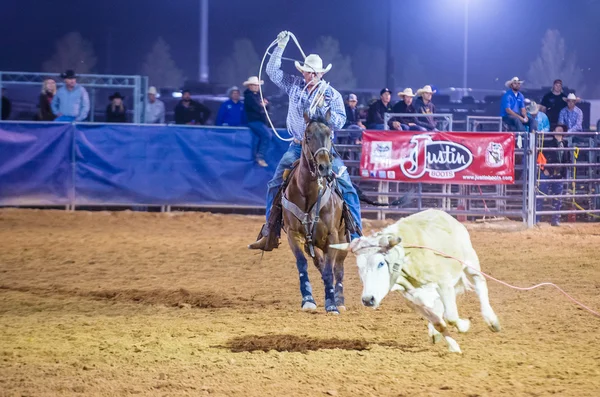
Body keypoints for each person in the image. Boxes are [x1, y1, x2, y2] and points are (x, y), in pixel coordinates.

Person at [249, 30, 362, 251]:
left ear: (319, 74)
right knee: (275, 184)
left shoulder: (331, 95)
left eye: (312, 72)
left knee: (347, 186)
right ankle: (269, 232)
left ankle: (357, 234)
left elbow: (340, 119)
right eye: (306, 72)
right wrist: (280, 47)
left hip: (322, 148)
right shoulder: (294, 86)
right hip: (297, 146)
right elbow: (272, 71)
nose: (308, 75)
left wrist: (323, 116)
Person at [536, 124, 570, 226]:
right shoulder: (547, 143)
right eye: (558, 128)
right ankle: (536, 219)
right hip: (548, 173)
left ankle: (555, 219)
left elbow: (567, 159)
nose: (560, 130)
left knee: (557, 198)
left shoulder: (565, 144)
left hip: (559, 174)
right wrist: (544, 168)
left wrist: (565, 169)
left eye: (562, 129)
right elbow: (540, 156)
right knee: (541, 196)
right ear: (554, 130)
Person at [243, 76, 271, 167]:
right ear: (249, 86)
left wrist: (264, 105)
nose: (256, 87)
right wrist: (262, 105)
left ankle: (259, 156)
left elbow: (267, 107)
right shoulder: (248, 97)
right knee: (267, 135)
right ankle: (260, 157)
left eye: (257, 85)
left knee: (263, 136)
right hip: (254, 121)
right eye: (254, 85)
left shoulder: (260, 95)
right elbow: (256, 108)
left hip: (261, 121)